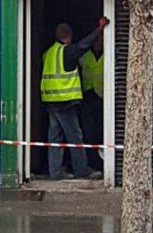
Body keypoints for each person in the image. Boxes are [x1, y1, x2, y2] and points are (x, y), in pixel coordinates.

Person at [42, 18, 108, 180]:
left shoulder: (48, 53)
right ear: (69, 37)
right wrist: (99, 30)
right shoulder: (67, 52)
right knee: (75, 137)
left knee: (55, 137)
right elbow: (84, 45)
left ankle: (55, 172)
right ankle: (82, 170)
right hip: (65, 102)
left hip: (51, 101)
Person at [79, 33, 104, 172]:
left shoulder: (109, 54)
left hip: (102, 97)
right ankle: (91, 162)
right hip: (88, 96)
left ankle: (101, 163)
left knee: (100, 130)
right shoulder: (85, 56)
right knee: (88, 131)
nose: (100, 43)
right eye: (98, 40)